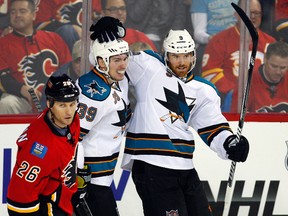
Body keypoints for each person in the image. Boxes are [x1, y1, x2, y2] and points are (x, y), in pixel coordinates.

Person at [90, 17, 250, 216]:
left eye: (186, 56)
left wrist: (230, 144)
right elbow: (110, 60)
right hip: (151, 166)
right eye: (175, 56)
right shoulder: (148, 66)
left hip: (185, 167)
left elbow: (213, 127)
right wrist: (109, 38)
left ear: (194, 56)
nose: (181, 62)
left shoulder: (204, 90)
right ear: (165, 55)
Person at [6, 74, 80, 215]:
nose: (69, 112)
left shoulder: (72, 119)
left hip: (64, 197)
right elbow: (19, 200)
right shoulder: (40, 149)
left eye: (72, 104)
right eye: (62, 105)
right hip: (49, 205)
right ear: (49, 104)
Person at [76, 37, 131, 215]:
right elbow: (72, 136)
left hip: (103, 179)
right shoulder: (95, 94)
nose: (123, 65)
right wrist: (77, 171)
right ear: (101, 61)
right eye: (117, 60)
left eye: (125, 58)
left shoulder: (117, 80)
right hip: (92, 182)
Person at [201, 0, 276, 113]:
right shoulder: (219, 40)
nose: (253, 17)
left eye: (257, 13)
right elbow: (210, 73)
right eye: (248, 13)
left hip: (264, 101)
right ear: (236, 14)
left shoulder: (270, 43)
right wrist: (236, 92)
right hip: (228, 102)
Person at [0, 0, 72, 114]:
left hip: (57, 100)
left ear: (33, 15)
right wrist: (22, 89)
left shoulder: (54, 38)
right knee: (7, 103)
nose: (17, 15)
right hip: (25, 101)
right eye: (13, 12)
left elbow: (69, 69)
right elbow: (3, 78)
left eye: (22, 11)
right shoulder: (2, 44)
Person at [190, 0, 239, 76]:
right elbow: (198, 33)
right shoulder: (200, 1)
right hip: (213, 44)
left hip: (238, 42)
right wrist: (212, 38)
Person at [248, 41, 288, 113]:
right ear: (265, 59)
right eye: (274, 66)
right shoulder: (248, 82)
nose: (278, 72)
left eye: (283, 68)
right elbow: (237, 119)